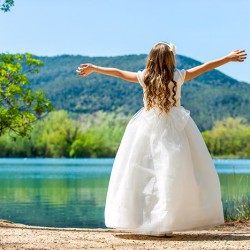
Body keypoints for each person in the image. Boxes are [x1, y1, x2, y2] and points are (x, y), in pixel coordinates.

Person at [77, 42, 247, 236]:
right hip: (176, 129)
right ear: (170, 59)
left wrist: (94, 68)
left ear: (151, 58)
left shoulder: (145, 78)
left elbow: (118, 73)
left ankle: (152, 220)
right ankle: (165, 220)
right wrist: (228, 57)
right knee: (173, 174)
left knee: (146, 176)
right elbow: (206, 66)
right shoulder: (178, 76)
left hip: (147, 128)